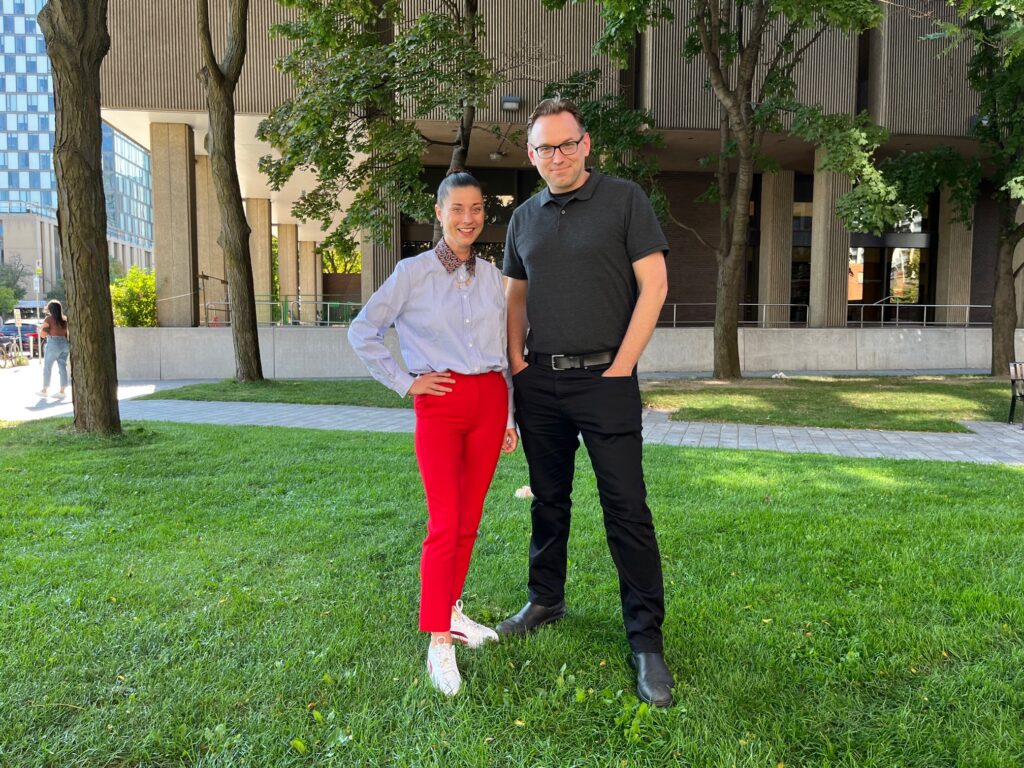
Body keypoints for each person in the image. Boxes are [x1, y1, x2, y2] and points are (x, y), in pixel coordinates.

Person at [498, 97, 674, 708]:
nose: (557, 156)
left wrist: (621, 367)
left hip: (606, 379)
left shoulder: (625, 200)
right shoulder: (523, 218)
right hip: (539, 383)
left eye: (566, 144)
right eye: (544, 148)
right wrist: (517, 364)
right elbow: (514, 297)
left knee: (626, 507)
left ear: (586, 144)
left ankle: (646, 640)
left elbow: (655, 286)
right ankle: (545, 599)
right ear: (532, 155)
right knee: (549, 500)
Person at [348, 171, 519, 697]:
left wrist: (510, 415)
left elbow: (507, 354)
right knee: (445, 521)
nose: (468, 218)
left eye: (476, 209)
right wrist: (406, 381)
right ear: (439, 212)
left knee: (469, 520)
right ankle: (438, 640)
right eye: (457, 209)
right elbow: (363, 330)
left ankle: (453, 610)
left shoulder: (494, 278)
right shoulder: (412, 273)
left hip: (489, 402)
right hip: (440, 403)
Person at [37, 300, 70, 399]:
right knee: (62, 368)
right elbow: (66, 334)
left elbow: (43, 335)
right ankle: (62, 391)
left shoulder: (48, 319)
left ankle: (45, 390)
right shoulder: (65, 319)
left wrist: (41, 328)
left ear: (50, 309)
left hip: (53, 344)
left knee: (47, 367)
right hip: (65, 344)